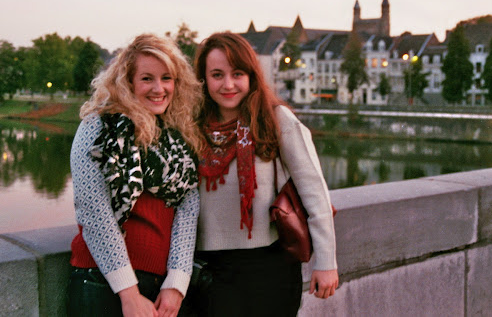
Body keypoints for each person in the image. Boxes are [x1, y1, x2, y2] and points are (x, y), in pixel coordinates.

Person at [191, 32, 338, 317]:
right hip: (209, 272)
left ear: (251, 76)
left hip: (269, 269)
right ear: (204, 79)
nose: (228, 84)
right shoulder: (192, 126)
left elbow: (314, 191)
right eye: (217, 75)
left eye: (237, 74)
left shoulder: (275, 119)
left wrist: (326, 262)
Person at [67, 33, 204, 317]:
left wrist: (177, 284)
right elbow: (93, 213)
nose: (159, 88)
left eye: (166, 78)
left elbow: (187, 212)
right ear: (128, 82)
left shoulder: (179, 139)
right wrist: (129, 294)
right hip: (101, 284)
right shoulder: (99, 127)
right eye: (147, 79)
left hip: (161, 289)